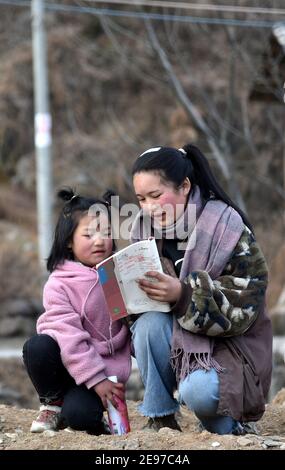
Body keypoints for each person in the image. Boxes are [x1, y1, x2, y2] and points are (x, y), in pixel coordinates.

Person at [130, 144, 272, 435]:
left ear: (184, 186)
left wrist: (182, 295)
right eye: (141, 199)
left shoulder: (227, 226)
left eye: (156, 196)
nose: (149, 207)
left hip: (232, 347)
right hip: (183, 342)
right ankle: (161, 417)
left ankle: (231, 422)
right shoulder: (143, 231)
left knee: (199, 393)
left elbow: (246, 305)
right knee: (147, 326)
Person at [23, 188, 131, 434]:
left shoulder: (118, 275)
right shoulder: (58, 283)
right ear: (69, 242)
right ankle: (53, 405)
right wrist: (96, 379)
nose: (99, 240)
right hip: (69, 367)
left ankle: (82, 414)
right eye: (89, 234)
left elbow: (132, 328)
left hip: (103, 371)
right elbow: (69, 336)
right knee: (37, 346)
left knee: (81, 418)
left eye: (106, 233)